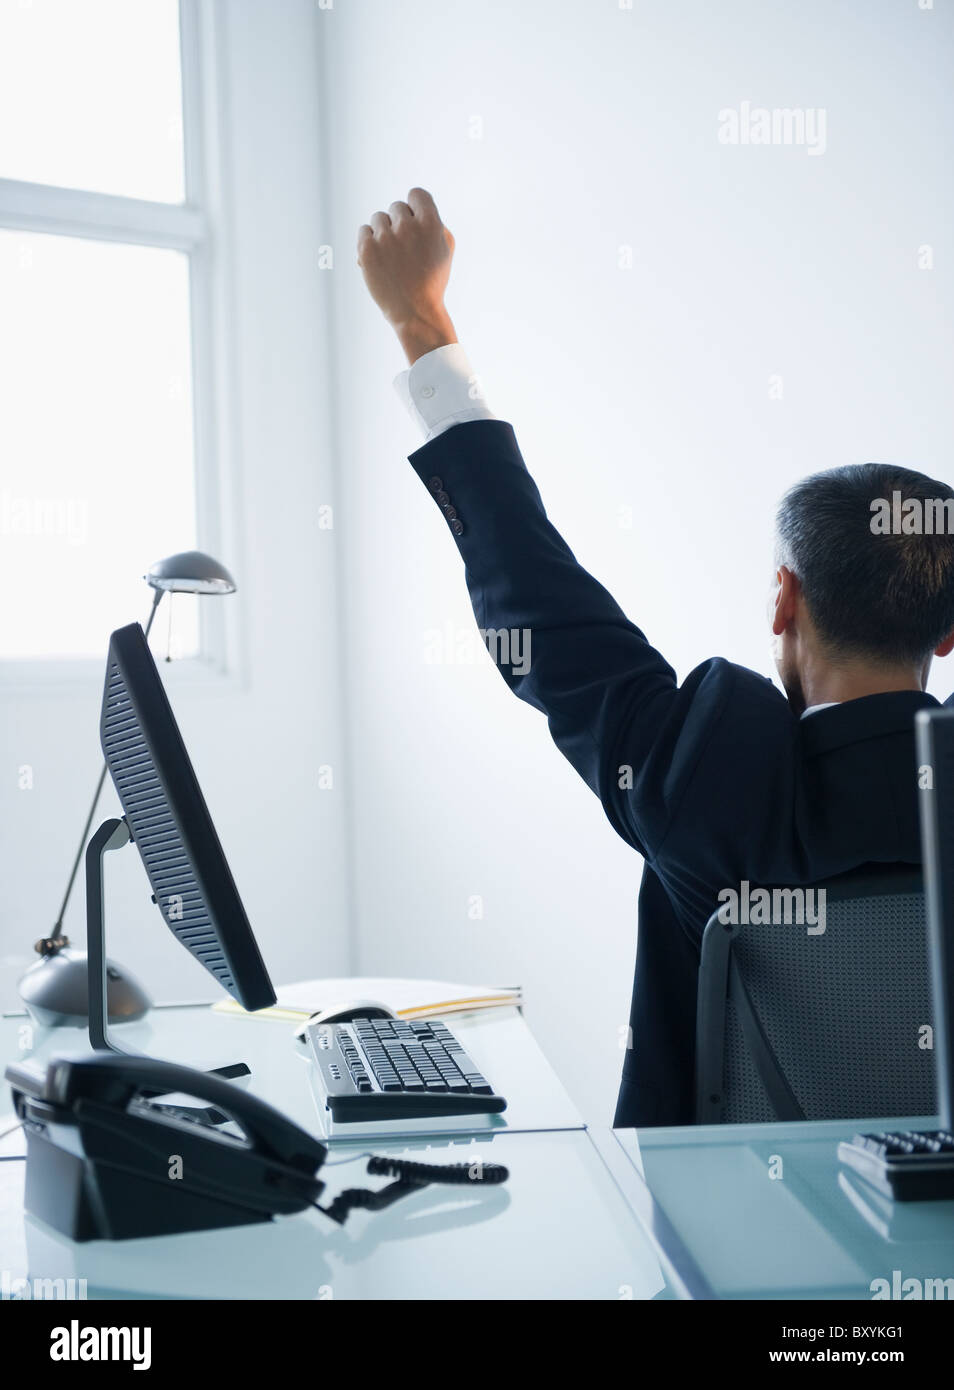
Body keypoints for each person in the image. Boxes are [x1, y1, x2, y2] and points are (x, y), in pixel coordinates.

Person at [357, 187, 954, 1127]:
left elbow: (535, 598)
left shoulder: (710, 771)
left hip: (721, 1251)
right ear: (947, 631)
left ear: (783, 601)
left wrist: (420, 321)